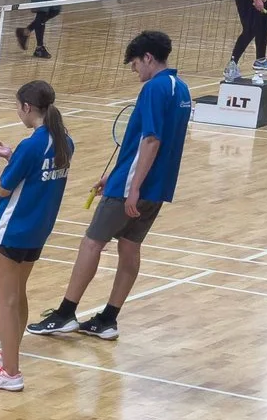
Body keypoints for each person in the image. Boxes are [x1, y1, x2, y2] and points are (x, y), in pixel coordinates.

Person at [30, 29, 190, 344]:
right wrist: (115, 175)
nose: (135, 72)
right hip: (156, 187)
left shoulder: (154, 89)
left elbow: (152, 140)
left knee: (91, 243)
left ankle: (65, 313)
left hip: (135, 186)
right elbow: (148, 143)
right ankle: (107, 320)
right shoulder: (181, 89)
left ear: (147, 58)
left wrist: (131, 187)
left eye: (135, 64)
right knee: (129, 246)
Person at [0, 80, 73, 394]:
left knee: (6, 302)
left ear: (28, 108)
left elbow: (3, 187)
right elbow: (35, 170)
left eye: (18, 107)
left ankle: (10, 373)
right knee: (19, 292)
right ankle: (9, 353)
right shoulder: (63, 141)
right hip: (38, 230)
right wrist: (9, 153)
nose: (18, 112)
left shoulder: (32, 145)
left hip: (13, 229)